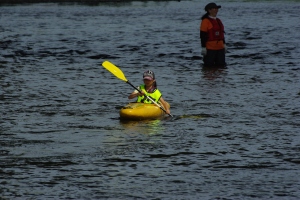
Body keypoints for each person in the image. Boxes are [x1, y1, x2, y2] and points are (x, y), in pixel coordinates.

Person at [200, 2, 227, 67]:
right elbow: (202, 35)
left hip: (220, 48)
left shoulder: (218, 20)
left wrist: (224, 44)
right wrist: (203, 47)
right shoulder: (205, 21)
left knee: (221, 67)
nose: (216, 10)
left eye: (217, 9)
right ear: (209, 10)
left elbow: (222, 34)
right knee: (209, 68)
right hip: (210, 49)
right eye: (214, 8)